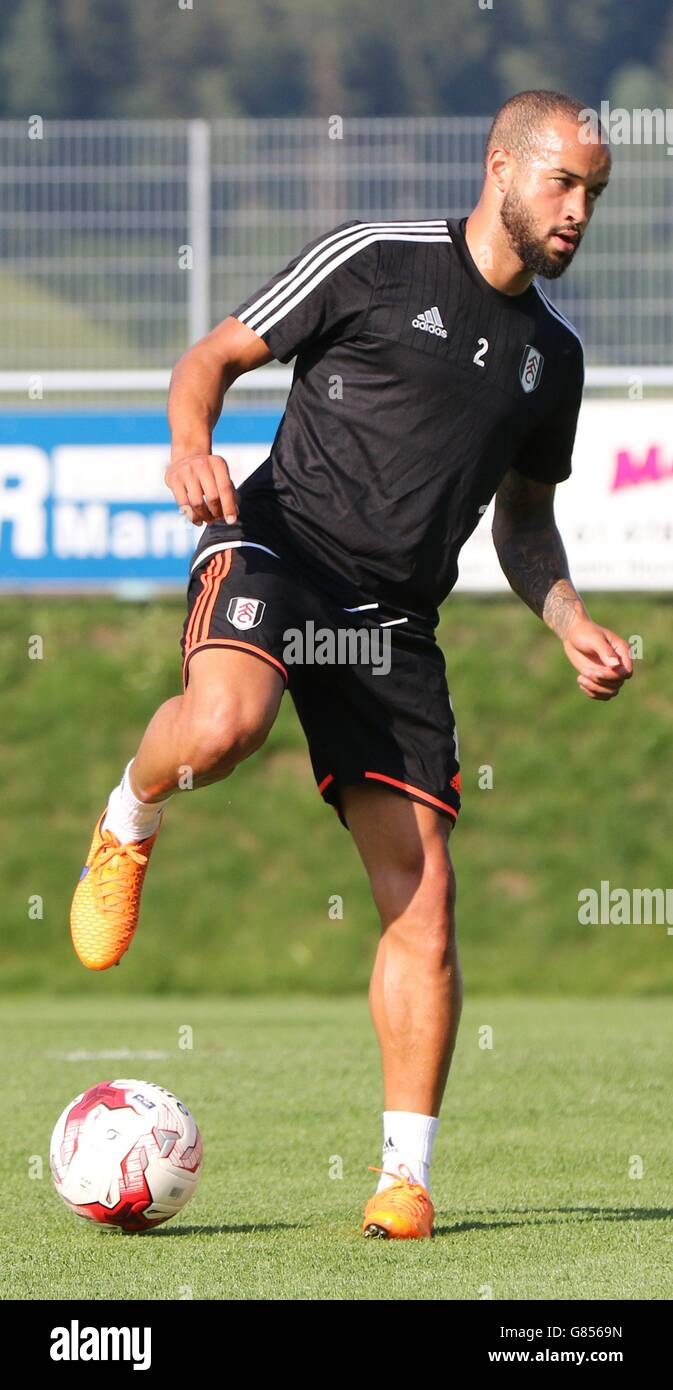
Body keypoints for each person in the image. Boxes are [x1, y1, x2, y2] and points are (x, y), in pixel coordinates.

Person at [71, 90, 633, 1239]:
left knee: (422, 896)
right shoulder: (376, 260)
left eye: (595, 194)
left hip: (393, 622)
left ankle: (402, 1178)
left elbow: (524, 528)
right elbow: (213, 355)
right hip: (279, 543)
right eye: (563, 183)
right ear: (501, 170)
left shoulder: (552, 364)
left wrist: (566, 612)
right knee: (225, 724)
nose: (578, 212)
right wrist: (191, 451)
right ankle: (130, 811)